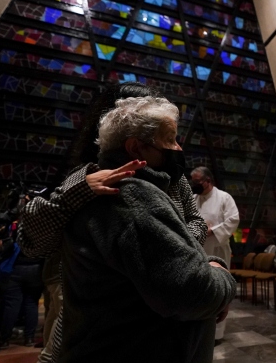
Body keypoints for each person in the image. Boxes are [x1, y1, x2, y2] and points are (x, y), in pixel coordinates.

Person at [17, 83, 208, 363]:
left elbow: (196, 222)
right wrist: (78, 191)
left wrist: (176, 245)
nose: (177, 146)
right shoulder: (90, 175)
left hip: (158, 317)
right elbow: (32, 241)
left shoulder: (174, 178)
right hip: (100, 318)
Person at [61, 96, 235, 363]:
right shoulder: (133, 198)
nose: (178, 148)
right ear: (136, 148)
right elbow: (191, 292)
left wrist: (206, 261)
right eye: (170, 140)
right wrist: (222, 276)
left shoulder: (102, 191)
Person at [190, 166, 239, 341]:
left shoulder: (224, 197)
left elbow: (233, 219)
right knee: (200, 289)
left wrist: (213, 231)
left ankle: (217, 335)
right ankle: (200, 328)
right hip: (198, 249)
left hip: (218, 249)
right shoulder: (193, 198)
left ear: (208, 181)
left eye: (196, 182)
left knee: (218, 288)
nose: (193, 185)